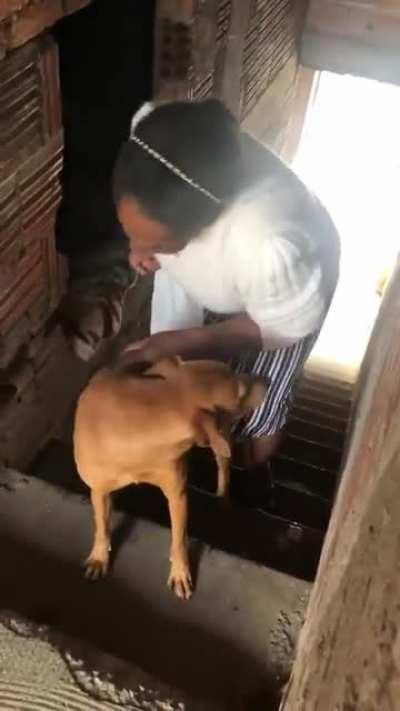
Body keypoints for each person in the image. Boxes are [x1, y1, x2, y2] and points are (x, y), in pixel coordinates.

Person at [113, 99, 340, 479]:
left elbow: (279, 327)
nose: (140, 252)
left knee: (258, 396)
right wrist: (144, 246)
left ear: (204, 228)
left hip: (287, 301)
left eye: (163, 246)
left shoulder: (270, 243)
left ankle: (255, 471)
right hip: (229, 270)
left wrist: (186, 340)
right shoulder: (152, 142)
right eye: (132, 234)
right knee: (183, 374)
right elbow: (149, 219)